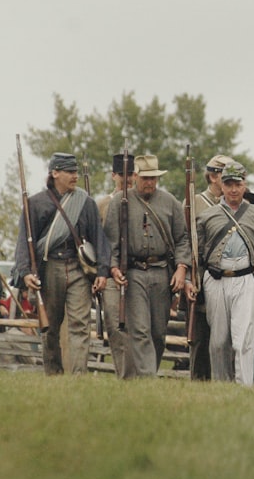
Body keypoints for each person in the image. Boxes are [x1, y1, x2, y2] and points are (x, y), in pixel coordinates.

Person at [14, 152, 110, 375]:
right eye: (69, 172)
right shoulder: (36, 204)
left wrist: (102, 272)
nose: (75, 176)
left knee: (80, 325)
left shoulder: (85, 202)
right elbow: (24, 241)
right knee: (51, 328)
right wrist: (26, 272)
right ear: (55, 173)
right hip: (50, 269)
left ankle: (78, 376)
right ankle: (54, 374)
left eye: (76, 171)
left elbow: (99, 239)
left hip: (78, 267)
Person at [106, 154, 191, 378]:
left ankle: (147, 374)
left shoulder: (170, 202)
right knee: (140, 331)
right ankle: (147, 381)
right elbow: (112, 241)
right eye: (145, 178)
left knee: (157, 332)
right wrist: (114, 268)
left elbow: (182, 239)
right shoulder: (119, 202)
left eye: (153, 178)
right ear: (135, 176)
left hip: (162, 272)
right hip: (133, 272)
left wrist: (182, 268)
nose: (150, 183)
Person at [194, 161, 254, 385]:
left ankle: (243, 387)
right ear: (221, 185)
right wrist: (195, 285)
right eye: (228, 184)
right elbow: (198, 256)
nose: (233, 189)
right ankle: (221, 386)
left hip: (246, 278)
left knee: (244, 340)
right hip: (216, 279)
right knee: (219, 341)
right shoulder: (207, 216)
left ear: (244, 185)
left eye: (237, 184)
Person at [187, 153, 234, 381]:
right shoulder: (194, 202)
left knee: (226, 336)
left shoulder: (234, 205)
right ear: (214, 176)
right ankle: (199, 381)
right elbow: (185, 240)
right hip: (201, 274)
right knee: (200, 337)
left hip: (229, 275)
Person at [97, 152, 136, 378]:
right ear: (113, 175)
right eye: (122, 174)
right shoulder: (103, 205)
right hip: (111, 276)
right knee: (116, 326)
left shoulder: (142, 201)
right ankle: (125, 376)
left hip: (138, 273)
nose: (126, 178)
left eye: (130, 173)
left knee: (139, 329)